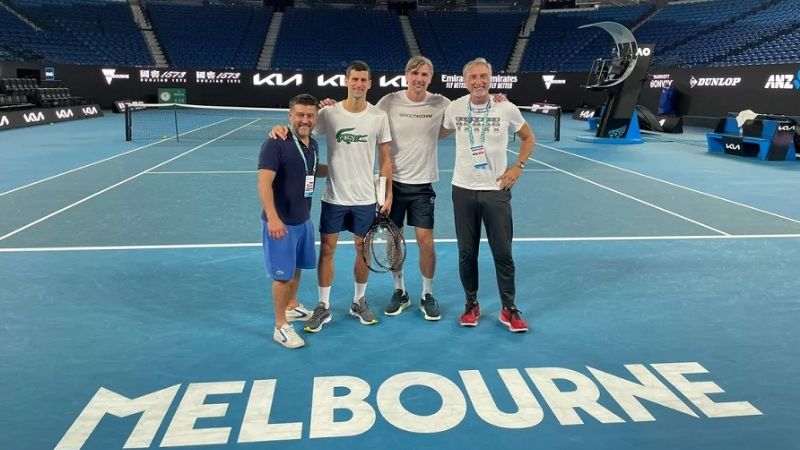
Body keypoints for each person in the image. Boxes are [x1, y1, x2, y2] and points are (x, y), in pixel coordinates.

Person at [271, 60, 393, 333]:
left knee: (363, 250)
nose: (359, 84)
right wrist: (279, 128)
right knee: (327, 250)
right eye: (354, 79)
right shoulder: (328, 114)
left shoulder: (378, 117)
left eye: (364, 80)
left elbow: (385, 158)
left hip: (365, 198)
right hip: (334, 196)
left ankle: (358, 301)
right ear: (346, 81)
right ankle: (323, 306)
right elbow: (300, 130)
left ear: (369, 83)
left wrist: (387, 193)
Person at [440, 57, 535, 333]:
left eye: (483, 76)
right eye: (473, 77)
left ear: (491, 79)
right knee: (466, 253)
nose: (479, 82)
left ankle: (509, 308)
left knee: (503, 253)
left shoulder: (506, 107)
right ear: (465, 80)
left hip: (496, 190)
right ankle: (471, 304)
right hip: (463, 190)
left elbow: (529, 138)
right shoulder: (455, 108)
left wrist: (518, 167)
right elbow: (438, 133)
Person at [258, 93, 327, 348]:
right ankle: (280, 326)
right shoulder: (276, 143)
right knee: (282, 276)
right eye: (300, 115)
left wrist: (343, 170)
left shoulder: (314, 145)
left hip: (303, 220)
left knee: (297, 268)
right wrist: (274, 219)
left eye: (310, 115)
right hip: (281, 224)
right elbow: (264, 183)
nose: (305, 120)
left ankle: (292, 306)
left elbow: (312, 170)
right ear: (290, 116)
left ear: (316, 118)